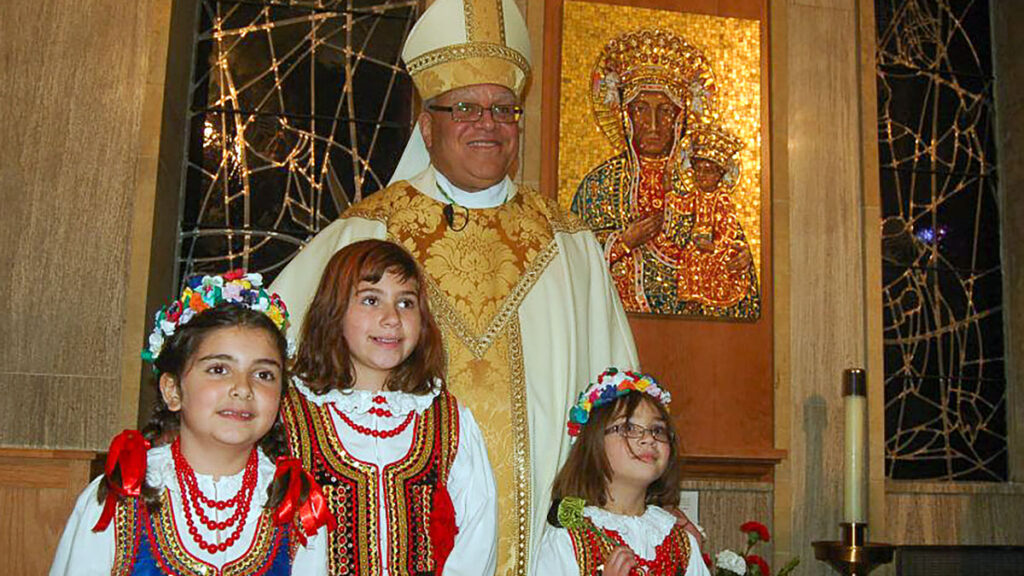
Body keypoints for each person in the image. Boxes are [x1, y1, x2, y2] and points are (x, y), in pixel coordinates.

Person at [269, 0, 638, 572]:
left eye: (504, 109)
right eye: (464, 107)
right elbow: (268, 358)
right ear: (426, 123)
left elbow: (616, 398)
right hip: (382, 534)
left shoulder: (570, 244)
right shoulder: (366, 231)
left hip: (545, 536)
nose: (487, 123)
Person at [50, 272, 333, 576]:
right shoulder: (119, 498)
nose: (242, 388)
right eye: (218, 369)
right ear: (172, 390)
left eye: (263, 374)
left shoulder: (297, 505)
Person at [281, 239, 498, 576]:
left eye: (406, 303)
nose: (392, 318)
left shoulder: (447, 419)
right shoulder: (291, 415)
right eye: (371, 300)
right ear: (333, 311)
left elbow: (478, 531)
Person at [571, 28, 757, 318]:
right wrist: (623, 242)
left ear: (680, 119)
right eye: (642, 109)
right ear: (626, 115)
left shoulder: (701, 182)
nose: (654, 124)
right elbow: (570, 262)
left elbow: (729, 242)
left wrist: (739, 260)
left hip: (694, 333)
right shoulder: (600, 184)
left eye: (666, 111)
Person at [535, 368, 710, 576]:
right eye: (628, 428)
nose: (649, 439)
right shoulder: (567, 539)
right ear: (594, 444)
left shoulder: (681, 545)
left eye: (657, 430)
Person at [671, 127, 760, 310]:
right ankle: (692, 298)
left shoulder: (722, 199)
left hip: (719, 244)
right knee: (690, 257)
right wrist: (668, 195)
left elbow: (728, 227)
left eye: (708, 171)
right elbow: (683, 205)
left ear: (719, 175)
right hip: (698, 242)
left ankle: (711, 298)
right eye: (698, 170)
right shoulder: (697, 194)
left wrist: (715, 247)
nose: (702, 175)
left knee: (714, 262)